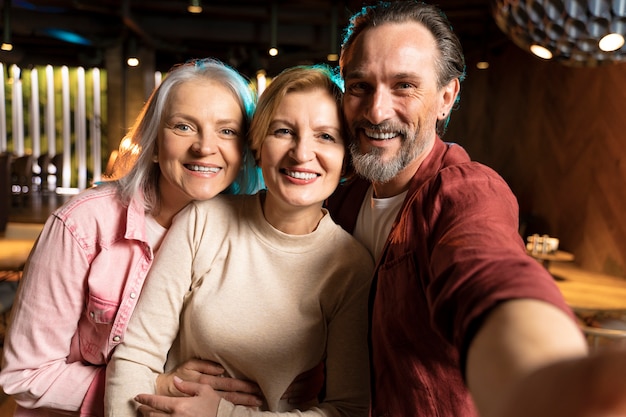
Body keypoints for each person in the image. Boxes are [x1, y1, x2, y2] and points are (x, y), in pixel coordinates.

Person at [325, 1, 604, 417]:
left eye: (404, 86)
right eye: (360, 86)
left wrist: (548, 379)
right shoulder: (341, 198)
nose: (377, 110)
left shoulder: (466, 190)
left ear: (446, 98)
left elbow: (490, 273)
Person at [0, 58, 266, 416]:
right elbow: (24, 375)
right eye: (184, 126)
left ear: (245, 151)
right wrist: (151, 385)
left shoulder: (249, 235)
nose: (205, 147)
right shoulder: (84, 224)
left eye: (227, 131)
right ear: (154, 143)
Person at [104, 65, 373, 417]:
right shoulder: (203, 221)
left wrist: (223, 415)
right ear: (258, 146)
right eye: (284, 131)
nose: (302, 153)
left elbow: (347, 410)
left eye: (326, 136)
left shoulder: (351, 267)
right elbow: (135, 356)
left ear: (347, 159)